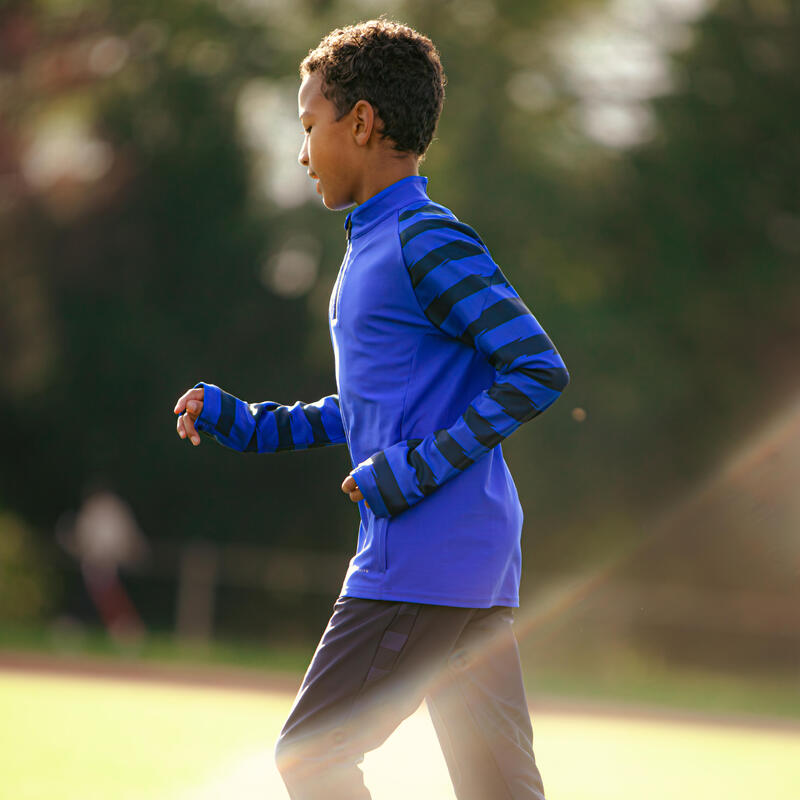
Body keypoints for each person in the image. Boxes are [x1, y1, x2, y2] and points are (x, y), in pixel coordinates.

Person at [173, 19, 568, 800]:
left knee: (311, 757)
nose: (301, 150)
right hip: (468, 557)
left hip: (424, 555)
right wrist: (251, 423)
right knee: (499, 789)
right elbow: (373, 406)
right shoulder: (373, 244)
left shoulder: (424, 238)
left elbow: (536, 366)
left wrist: (413, 472)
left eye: (308, 125)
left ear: (361, 122)